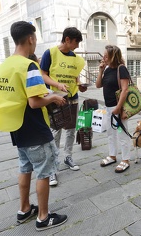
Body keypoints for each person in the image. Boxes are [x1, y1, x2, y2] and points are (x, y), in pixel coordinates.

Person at [0, 21, 68, 231]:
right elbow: (34, 101)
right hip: (34, 128)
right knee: (43, 170)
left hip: (16, 127)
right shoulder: (29, 66)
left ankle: (24, 209)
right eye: (35, 40)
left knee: (25, 167)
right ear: (31, 39)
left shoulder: (1, 66)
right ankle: (43, 217)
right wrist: (54, 98)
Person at [40, 27, 87, 186]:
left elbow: (75, 76)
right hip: (56, 98)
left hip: (72, 97)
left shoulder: (75, 58)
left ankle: (68, 156)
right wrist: (57, 84)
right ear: (67, 39)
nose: (77, 46)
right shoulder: (50, 53)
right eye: (76, 42)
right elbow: (43, 74)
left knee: (71, 129)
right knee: (55, 131)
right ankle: (53, 167)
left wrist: (79, 85)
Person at [96, 45, 131, 173]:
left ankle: (126, 159)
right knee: (110, 133)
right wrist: (100, 70)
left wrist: (118, 107)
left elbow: (125, 89)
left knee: (122, 133)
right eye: (103, 55)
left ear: (113, 56)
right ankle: (112, 155)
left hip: (118, 108)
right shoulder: (107, 69)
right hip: (108, 107)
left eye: (106, 55)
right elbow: (98, 85)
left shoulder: (121, 69)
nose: (103, 57)